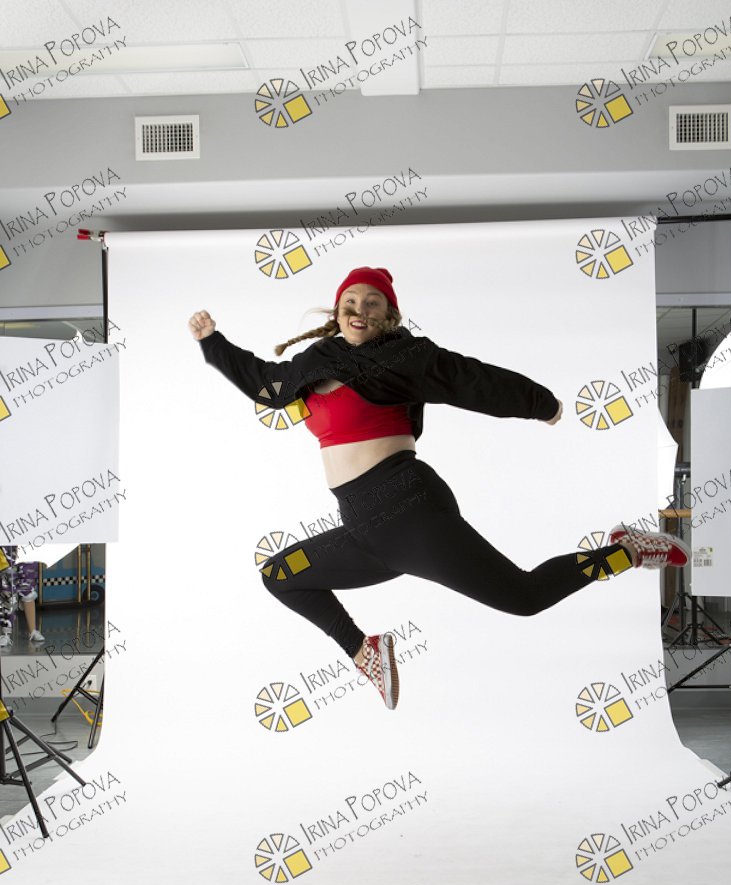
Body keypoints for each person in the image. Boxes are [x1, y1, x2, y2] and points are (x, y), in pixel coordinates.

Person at [189, 266, 687, 710]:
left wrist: (539, 403)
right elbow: (268, 385)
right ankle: (365, 652)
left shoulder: (404, 357)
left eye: (372, 303)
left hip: (407, 510)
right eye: (350, 302)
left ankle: (627, 551)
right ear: (337, 313)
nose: (359, 310)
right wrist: (213, 342)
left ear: (388, 315)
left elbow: (470, 379)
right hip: (365, 530)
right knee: (281, 574)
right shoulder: (316, 361)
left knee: (524, 596)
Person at [0, 546, 46, 648]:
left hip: (27, 548)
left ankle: (32, 631)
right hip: (5, 550)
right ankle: (5, 634)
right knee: (7, 592)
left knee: (28, 589)